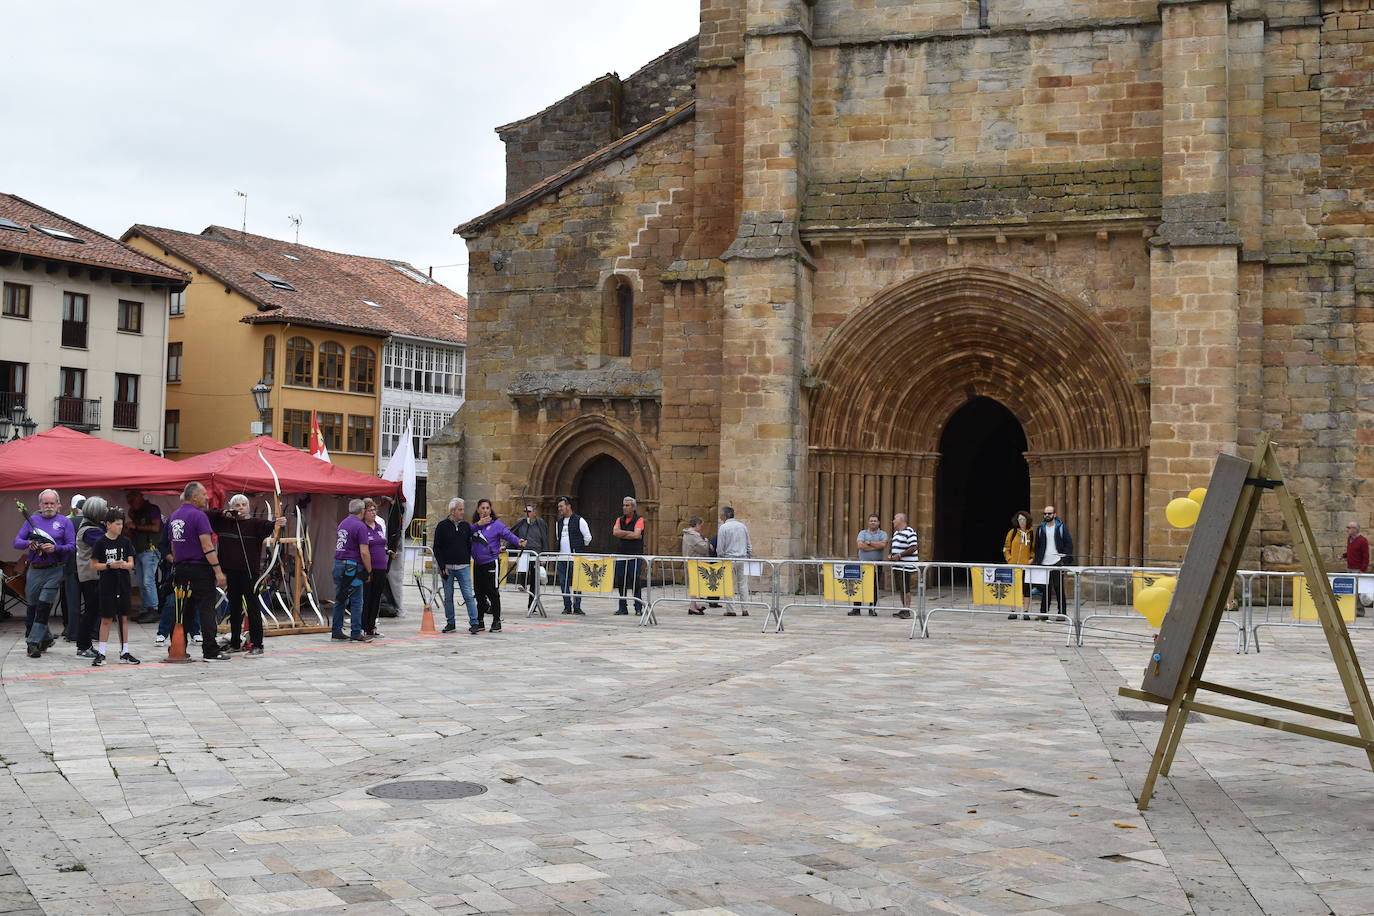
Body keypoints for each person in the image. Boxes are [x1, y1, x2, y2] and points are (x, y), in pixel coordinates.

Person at [208, 495, 285, 655]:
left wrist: (279, 523)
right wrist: (225, 513)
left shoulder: (256, 524)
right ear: (231, 507)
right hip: (230, 573)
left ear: (249, 508)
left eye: (243, 505)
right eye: (236, 505)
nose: (240, 507)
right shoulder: (223, 523)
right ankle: (235, 643)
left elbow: (272, 525)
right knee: (234, 608)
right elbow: (206, 514)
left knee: (253, 608)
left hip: (250, 573)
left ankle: (258, 645)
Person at [169, 482, 230, 661]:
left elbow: (174, 546)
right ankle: (210, 650)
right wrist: (218, 572)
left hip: (180, 569)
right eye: (204, 494)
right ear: (194, 496)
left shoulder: (174, 516)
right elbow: (207, 545)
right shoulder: (199, 516)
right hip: (200, 569)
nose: (207, 497)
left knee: (182, 610)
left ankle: (177, 648)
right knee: (206, 609)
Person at [13, 489, 76, 658]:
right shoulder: (32, 520)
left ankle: (32, 642)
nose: (49, 506)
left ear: (58, 505)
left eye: (52, 503)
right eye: (45, 503)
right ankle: (47, 637)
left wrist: (56, 548)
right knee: (33, 606)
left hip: (55, 569)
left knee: (43, 605)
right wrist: (29, 543)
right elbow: (16, 542)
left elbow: (72, 546)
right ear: (40, 505)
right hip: (34, 569)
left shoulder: (65, 522)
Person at [89, 506, 139, 666]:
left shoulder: (125, 541)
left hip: (123, 583)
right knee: (106, 618)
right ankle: (102, 652)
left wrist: (123, 564)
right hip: (107, 585)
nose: (120, 527)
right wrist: (110, 565)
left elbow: (131, 563)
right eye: (117, 524)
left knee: (124, 617)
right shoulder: (100, 542)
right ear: (108, 524)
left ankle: (125, 651)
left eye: (121, 524)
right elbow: (94, 565)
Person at [470, 499, 525, 632]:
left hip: (491, 562)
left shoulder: (496, 525)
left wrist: (519, 541)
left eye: (487, 508)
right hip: (477, 564)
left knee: (492, 592)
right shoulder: (473, 526)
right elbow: (465, 533)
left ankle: (496, 621)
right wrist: (477, 525)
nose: (485, 510)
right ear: (478, 510)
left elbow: (508, 535)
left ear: (490, 510)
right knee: (479, 593)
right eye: (482, 508)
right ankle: (480, 620)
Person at [434, 498, 479, 634]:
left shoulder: (466, 526)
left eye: (463, 509)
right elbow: (437, 547)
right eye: (460, 509)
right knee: (448, 596)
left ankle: (474, 622)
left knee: (468, 595)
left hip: (463, 566)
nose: (462, 512)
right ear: (452, 511)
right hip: (447, 567)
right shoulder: (442, 526)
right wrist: (442, 566)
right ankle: (450, 623)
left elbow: (469, 544)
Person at [73, 497, 110, 658]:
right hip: (91, 576)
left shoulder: (94, 526)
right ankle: (82, 646)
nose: (107, 510)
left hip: (93, 575)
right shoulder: (90, 530)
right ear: (97, 512)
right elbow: (106, 544)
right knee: (91, 611)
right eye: (105, 509)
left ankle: (86, 644)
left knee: (93, 611)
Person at [332, 498, 373, 642]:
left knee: (341, 598)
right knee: (356, 601)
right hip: (352, 566)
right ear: (362, 511)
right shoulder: (360, 526)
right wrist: (369, 570)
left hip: (338, 563)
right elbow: (364, 552)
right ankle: (356, 631)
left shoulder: (343, 523)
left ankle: (336, 630)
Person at [126, 490, 163, 623]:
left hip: (150, 549)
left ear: (140, 497)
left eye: (132, 499)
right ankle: (145, 610)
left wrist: (136, 526)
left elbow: (156, 528)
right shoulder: (136, 512)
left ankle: (153, 609)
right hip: (140, 550)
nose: (130, 502)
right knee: (142, 583)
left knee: (148, 581)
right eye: (128, 500)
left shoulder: (152, 509)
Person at [1033, 505, 1074, 621]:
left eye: (1049, 513)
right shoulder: (1041, 528)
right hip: (1044, 562)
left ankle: (1062, 613)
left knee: (1058, 588)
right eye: (1045, 513)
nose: (1047, 515)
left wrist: (1064, 561)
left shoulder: (1061, 527)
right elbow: (1037, 546)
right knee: (1045, 589)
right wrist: (1038, 560)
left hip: (1057, 562)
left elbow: (1068, 545)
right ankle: (1043, 613)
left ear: (1054, 515)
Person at [553, 496, 592, 615]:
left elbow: (588, 537)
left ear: (568, 506)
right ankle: (567, 606)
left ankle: (577, 606)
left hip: (575, 557)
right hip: (562, 557)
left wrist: (578, 548)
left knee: (577, 582)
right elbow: (558, 538)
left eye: (561, 506)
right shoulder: (558, 523)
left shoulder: (579, 520)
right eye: (558, 507)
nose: (560, 509)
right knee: (563, 581)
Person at [361, 498, 394, 639]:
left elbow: (382, 544)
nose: (373, 513)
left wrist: (388, 551)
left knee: (377, 598)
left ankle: (371, 627)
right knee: (367, 597)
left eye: (374, 510)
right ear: (364, 512)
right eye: (370, 510)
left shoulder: (379, 526)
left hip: (381, 567)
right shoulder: (362, 527)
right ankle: (363, 626)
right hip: (369, 567)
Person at [511, 502, 549, 611]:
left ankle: (532, 605)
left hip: (536, 554)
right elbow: (511, 535)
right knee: (523, 568)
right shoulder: (520, 522)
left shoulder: (541, 523)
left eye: (529, 511)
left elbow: (545, 539)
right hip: (524, 553)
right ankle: (522, 582)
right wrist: (505, 547)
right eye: (525, 511)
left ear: (535, 513)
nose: (526, 514)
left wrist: (544, 556)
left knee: (534, 581)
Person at [612, 496, 646, 615]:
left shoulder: (639, 519)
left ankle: (638, 608)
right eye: (624, 505)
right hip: (621, 555)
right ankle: (622, 607)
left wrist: (623, 534)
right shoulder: (619, 519)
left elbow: (637, 535)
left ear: (633, 507)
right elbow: (615, 532)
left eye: (627, 505)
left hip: (635, 555)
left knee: (635, 580)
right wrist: (629, 534)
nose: (624, 508)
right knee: (621, 581)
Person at [716, 506, 753, 617]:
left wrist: (720, 557)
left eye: (721, 515)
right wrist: (748, 554)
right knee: (743, 584)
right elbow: (748, 543)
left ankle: (731, 609)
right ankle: (745, 609)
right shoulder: (742, 526)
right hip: (742, 558)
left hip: (729, 559)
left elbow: (720, 547)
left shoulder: (723, 527)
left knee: (729, 584)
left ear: (725, 516)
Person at [851, 514, 888, 616]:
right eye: (871, 521)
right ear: (868, 522)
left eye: (875, 521)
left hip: (876, 564)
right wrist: (876, 546)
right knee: (859, 586)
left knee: (874, 587)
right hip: (863, 564)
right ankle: (856, 609)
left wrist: (869, 543)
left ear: (878, 523)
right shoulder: (862, 533)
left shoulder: (883, 534)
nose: (873, 522)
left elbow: (883, 545)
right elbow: (860, 545)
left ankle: (872, 609)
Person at [1004, 509, 1036, 621]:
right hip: (1013, 566)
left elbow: (1034, 549)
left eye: (1024, 519)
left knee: (1026, 589)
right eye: (1020, 519)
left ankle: (1026, 611)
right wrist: (1009, 559)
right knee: (1013, 588)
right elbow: (1006, 548)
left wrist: (1031, 560)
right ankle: (1013, 611)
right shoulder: (1012, 533)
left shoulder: (1031, 534)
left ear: (1027, 520)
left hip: (1025, 567)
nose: (1022, 521)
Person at [888, 513, 918, 620]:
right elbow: (895, 547)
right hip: (898, 566)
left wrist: (900, 555)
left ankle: (907, 610)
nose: (893, 521)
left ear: (901, 520)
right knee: (901, 588)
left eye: (895, 519)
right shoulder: (896, 533)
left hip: (906, 566)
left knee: (906, 588)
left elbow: (913, 547)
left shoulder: (909, 531)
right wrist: (891, 555)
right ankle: (904, 608)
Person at [681, 516, 711, 615]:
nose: (701, 528)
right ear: (697, 525)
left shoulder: (688, 534)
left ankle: (694, 604)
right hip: (694, 562)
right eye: (700, 525)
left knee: (694, 584)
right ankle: (692, 606)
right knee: (694, 584)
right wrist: (706, 542)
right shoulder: (693, 535)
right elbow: (702, 547)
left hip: (692, 561)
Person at [1343, 522, 1370, 615]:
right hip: (1349, 568)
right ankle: (1352, 610)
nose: (1347, 529)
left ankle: (1359, 611)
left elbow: (1366, 556)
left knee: (1358, 591)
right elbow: (1350, 552)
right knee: (1350, 590)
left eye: (1349, 528)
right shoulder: (1349, 539)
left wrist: (1362, 570)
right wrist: (1343, 555)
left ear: (1355, 529)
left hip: (1357, 569)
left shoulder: (1363, 540)